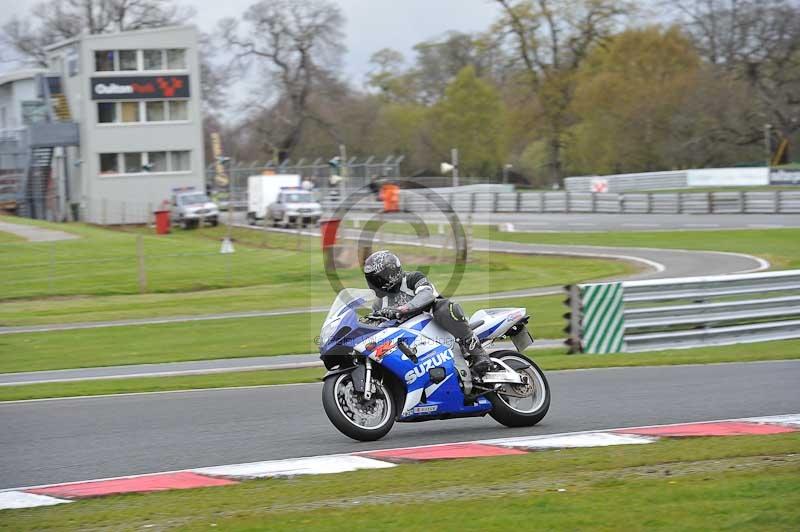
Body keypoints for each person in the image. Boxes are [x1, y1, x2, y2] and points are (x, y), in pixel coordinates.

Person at [363, 250, 492, 376]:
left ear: (391, 274)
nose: (374, 284)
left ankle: (478, 352)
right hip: (411, 340)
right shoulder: (379, 302)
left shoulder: (412, 279)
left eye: (377, 280)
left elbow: (426, 294)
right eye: (371, 280)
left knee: (443, 307)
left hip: (440, 327)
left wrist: (403, 309)